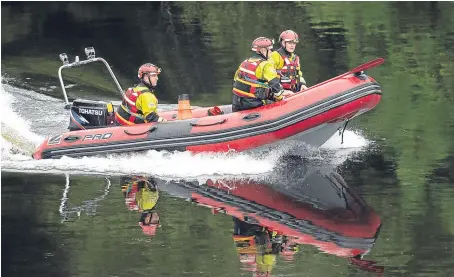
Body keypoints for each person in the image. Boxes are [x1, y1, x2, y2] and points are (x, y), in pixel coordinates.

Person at [232, 37, 293, 112]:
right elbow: (274, 84)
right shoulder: (266, 65)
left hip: (237, 103)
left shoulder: (244, 63)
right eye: (270, 50)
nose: (271, 52)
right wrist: (280, 98)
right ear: (263, 50)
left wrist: (281, 92)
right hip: (252, 105)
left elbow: (236, 81)